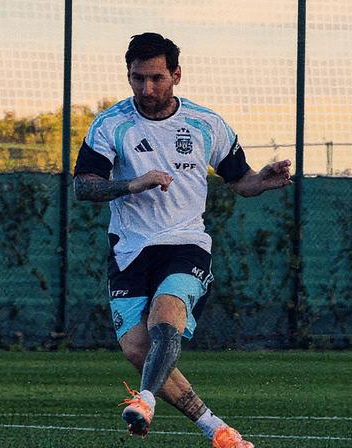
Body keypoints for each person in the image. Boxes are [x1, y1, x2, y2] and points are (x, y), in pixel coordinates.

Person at [73, 32, 292, 448]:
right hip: (129, 250)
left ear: (176, 74)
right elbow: (84, 188)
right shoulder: (110, 125)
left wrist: (261, 181)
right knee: (138, 350)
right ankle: (218, 430)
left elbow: (239, 180)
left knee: (165, 318)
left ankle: (147, 399)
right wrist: (134, 184)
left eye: (156, 78)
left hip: (186, 244)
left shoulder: (205, 124)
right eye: (137, 78)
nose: (146, 89)